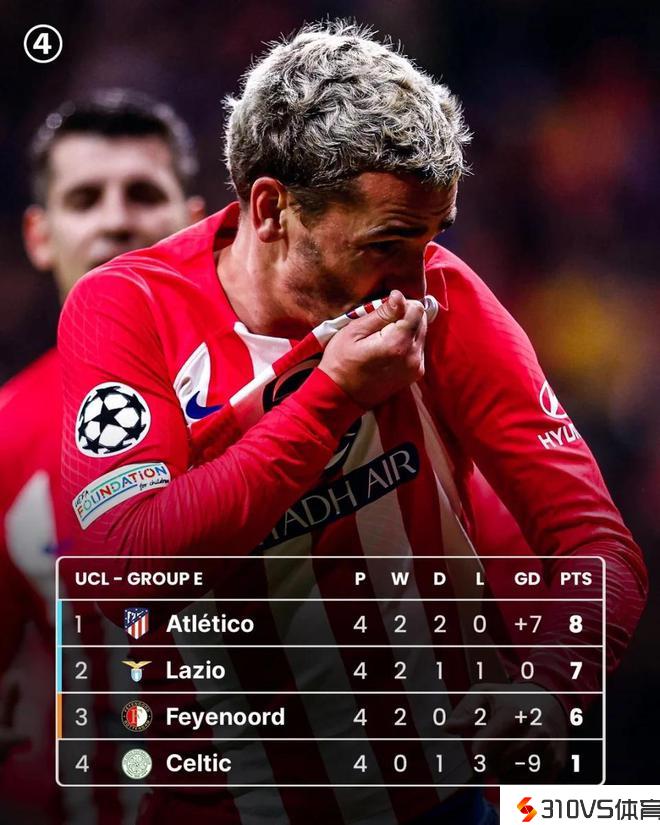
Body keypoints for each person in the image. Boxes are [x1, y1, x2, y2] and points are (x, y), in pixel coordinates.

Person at [59, 22, 647, 825]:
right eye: (387, 243)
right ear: (272, 208)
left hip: (432, 802)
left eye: (431, 238)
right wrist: (331, 396)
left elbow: (596, 543)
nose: (415, 282)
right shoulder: (128, 308)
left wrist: (552, 682)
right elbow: (121, 570)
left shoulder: (443, 294)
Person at [0, 88, 204, 824]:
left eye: (143, 194)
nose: (116, 220)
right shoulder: (4, 435)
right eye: (85, 199)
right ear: (40, 235)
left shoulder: (292, 380)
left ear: (193, 222)